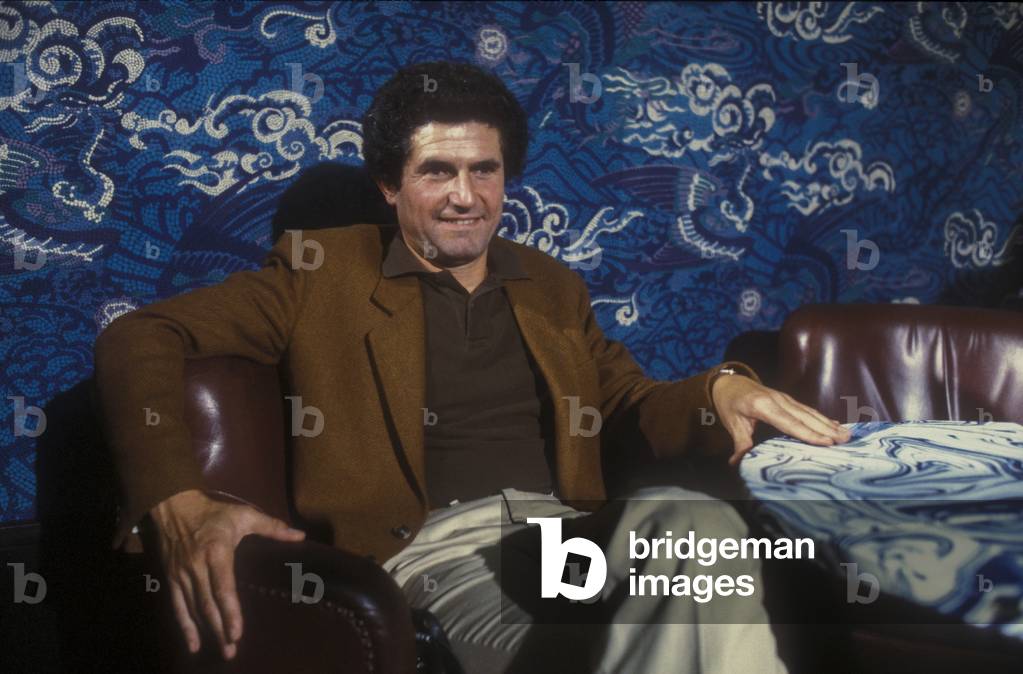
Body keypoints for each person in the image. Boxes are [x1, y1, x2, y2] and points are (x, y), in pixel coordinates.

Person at [94, 60, 850, 673]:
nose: (465, 197)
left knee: (697, 525)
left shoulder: (549, 285)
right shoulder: (319, 273)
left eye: (484, 171)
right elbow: (139, 337)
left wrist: (722, 388)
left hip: (567, 540)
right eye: (437, 173)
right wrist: (179, 503)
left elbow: (627, 399)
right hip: (441, 553)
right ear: (390, 185)